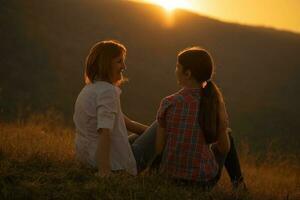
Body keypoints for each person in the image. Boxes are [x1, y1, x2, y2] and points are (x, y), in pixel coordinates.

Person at [155, 47, 245, 189]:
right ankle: (239, 185)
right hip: (201, 184)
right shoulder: (212, 104)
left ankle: (239, 185)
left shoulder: (168, 102)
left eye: (178, 67)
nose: (175, 70)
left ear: (188, 73)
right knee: (227, 134)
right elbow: (224, 149)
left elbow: (159, 149)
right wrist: (222, 124)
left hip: (169, 179)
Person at [73, 40, 158, 177]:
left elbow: (127, 123)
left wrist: (154, 136)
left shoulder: (90, 89)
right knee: (163, 123)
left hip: (88, 159)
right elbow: (104, 132)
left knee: (156, 132)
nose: (124, 66)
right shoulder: (108, 92)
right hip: (114, 164)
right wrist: (104, 171)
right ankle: (163, 172)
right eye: (119, 61)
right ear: (105, 64)